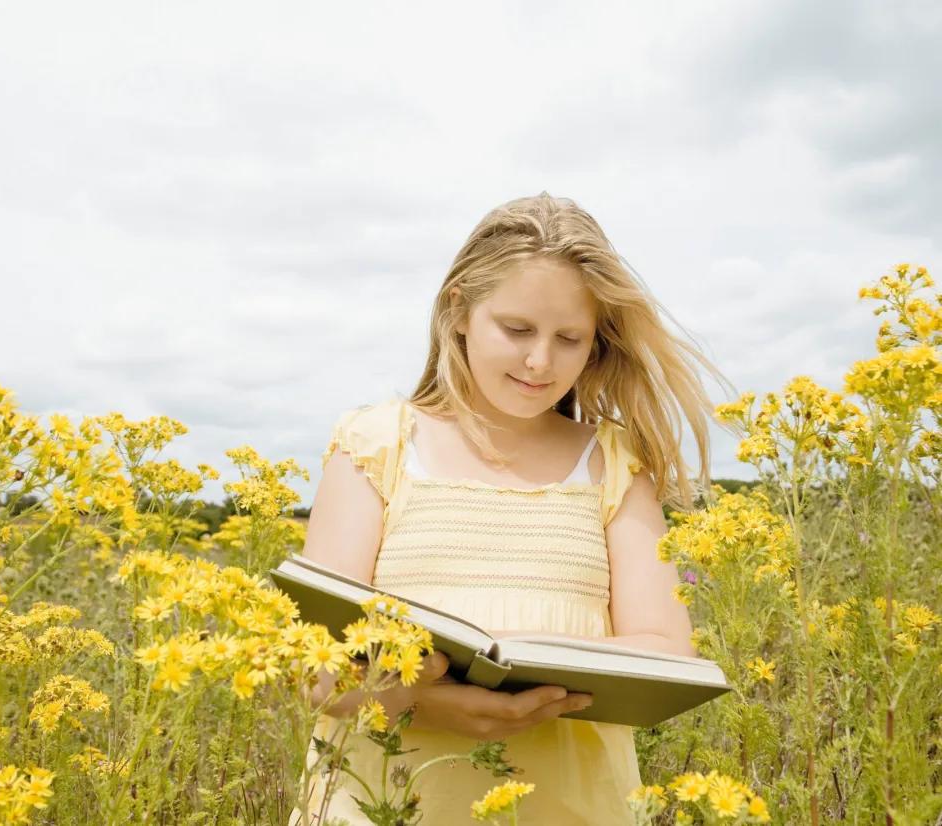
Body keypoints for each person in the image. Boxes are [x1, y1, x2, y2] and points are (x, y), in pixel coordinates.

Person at [291, 192, 731, 824]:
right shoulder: (374, 445)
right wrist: (429, 702)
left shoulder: (614, 462)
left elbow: (668, 650)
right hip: (379, 802)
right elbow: (316, 669)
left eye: (569, 339)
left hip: (571, 807)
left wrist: (518, 652)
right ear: (459, 310)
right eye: (517, 329)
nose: (540, 361)